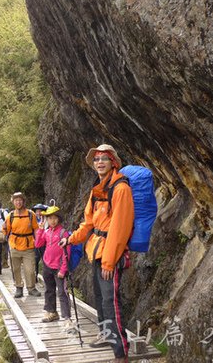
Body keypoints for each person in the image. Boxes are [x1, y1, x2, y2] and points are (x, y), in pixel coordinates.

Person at [59, 144, 134, 363]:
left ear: (113, 162)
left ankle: (120, 354)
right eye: (96, 159)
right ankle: (106, 335)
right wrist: (70, 239)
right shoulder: (97, 190)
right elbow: (88, 223)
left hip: (111, 255)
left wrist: (109, 263)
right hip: (96, 251)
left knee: (111, 303)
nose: (99, 162)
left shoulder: (121, 189)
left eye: (104, 158)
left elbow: (120, 229)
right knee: (100, 299)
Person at [35, 205, 74, 332]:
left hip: (58, 268)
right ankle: (52, 312)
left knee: (62, 292)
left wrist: (63, 270)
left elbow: (66, 253)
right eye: (49, 218)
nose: (52, 220)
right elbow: (38, 244)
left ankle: (67, 318)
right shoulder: (46, 232)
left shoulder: (63, 233)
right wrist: (40, 230)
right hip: (47, 265)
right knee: (49, 290)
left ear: (59, 218)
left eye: (54, 218)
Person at [2, 192, 42, 298]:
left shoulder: (30, 214)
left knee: (30, 269)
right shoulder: (10, 216)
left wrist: (38, 241)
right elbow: (6, 231)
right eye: (16, 200)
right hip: (14, 245)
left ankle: (31, 288)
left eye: (20, 200)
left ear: (23, 201)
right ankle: (19, 288)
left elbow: (36, 229)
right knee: (15, 268)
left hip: (28, 246)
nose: (18, 202)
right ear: (13, 202)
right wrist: (4, 228)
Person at [32, 203, 48, 281]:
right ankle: (35, 275)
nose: (38, 213)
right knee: (36, 259)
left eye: (40, 211)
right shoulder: (33, 220)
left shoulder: (46, 219)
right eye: (37, 211)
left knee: (45, 259)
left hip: (45, 242)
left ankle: (46, 276)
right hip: (36, 242)